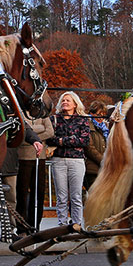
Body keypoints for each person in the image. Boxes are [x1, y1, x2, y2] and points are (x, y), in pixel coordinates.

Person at [47, 92, 90, 227]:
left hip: (76, 161)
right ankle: (62, 224)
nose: (65, 102)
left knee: (76, 196)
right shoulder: (54, 119)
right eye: (63, 100)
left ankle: (76, 224)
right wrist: (71, 140)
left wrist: (61, 141)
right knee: (61, 196)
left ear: (75, 104)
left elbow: (84, 140)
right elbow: (49, 138)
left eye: (68, 100)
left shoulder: (82, 120)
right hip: (58, 160)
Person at [16, 115, 55, 231]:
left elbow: (50, 131)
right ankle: (22, 226)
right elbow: (21, 132)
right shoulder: (21, 112)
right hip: (23, 157)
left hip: (40, 157)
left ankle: (35, 224)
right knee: (21, 193)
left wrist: (33, 137)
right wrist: (37, 133)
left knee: (38, 193)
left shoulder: (42, 113)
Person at [83, 101, 109, 191]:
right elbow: (89, 148)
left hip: (105, 170)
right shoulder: (87, 125)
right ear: (91, 113)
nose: (100, 118)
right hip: (92, 169)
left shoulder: (106, 127)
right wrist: (104, 161)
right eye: (98, 115)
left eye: (103, 115)